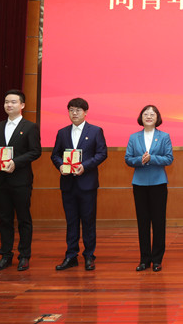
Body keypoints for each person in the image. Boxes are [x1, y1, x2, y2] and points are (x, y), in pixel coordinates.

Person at [0, 89, 42, 271]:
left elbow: (35, 151)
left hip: (20, 181)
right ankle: (5, 255)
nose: (9, 105)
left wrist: (15, 163)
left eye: (13, 102)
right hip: (0, 180)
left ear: (22, 105)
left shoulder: (30, 127)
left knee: (24, 219)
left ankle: (24, 255)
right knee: (4, 219)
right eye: (6, 102)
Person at [51, 98, 108, 271]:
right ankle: (71, 256)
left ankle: (89, 255)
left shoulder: (96, 131)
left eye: (78, 110)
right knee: (71, 221)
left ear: (85, 112)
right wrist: (61, 165)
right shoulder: (62, 132)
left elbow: (102, 153)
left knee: (88, 221)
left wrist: (85, 166)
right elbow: (55, 155)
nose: (74, 113)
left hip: (87, 184)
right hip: (68, 184)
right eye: (71, 110)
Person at [125, 105, 173, 272]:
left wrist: (152, 158)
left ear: (157, 118)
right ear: (141, 117)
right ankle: (144, 259)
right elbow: (128, 159)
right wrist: (140, 160)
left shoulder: (164, 136)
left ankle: (157, 259)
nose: (149, 116)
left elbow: (169, 158)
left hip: (158, 183)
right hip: (139, 184)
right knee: (143, 223)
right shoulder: (134, 137)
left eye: (152, 114)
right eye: (146, 114)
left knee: (159, 222)